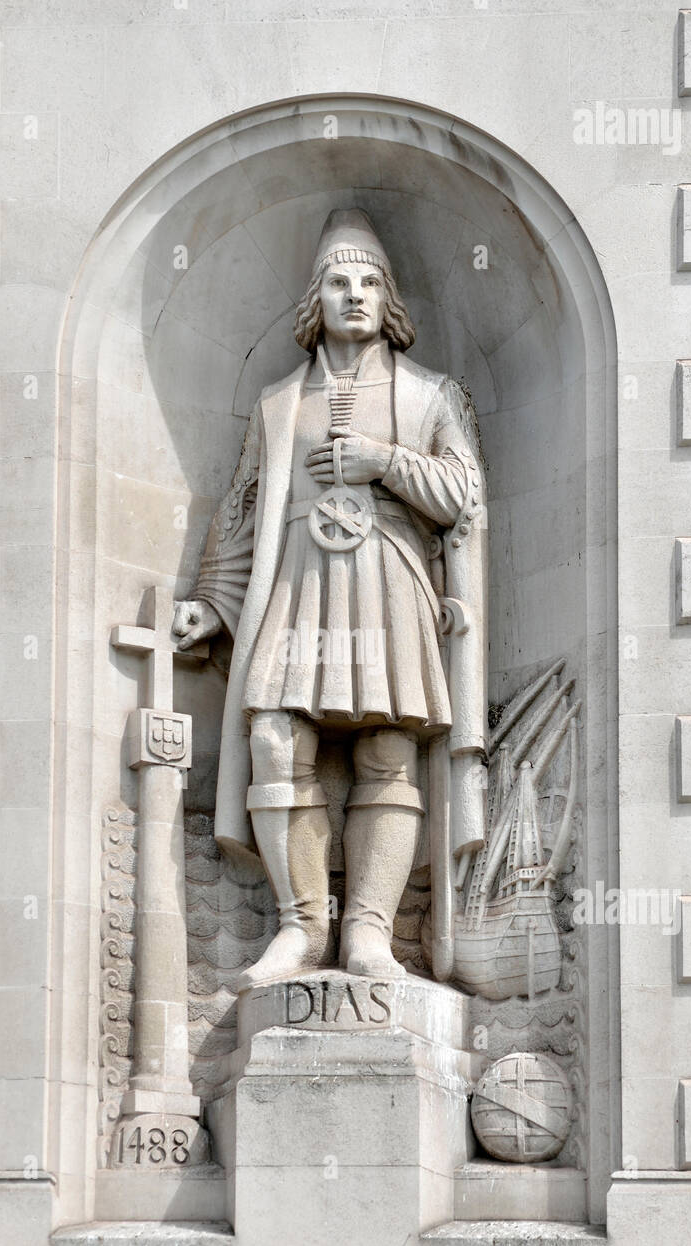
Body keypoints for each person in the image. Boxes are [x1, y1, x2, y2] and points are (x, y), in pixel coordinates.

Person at [173, 209, 487, 988]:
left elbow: (463, 497)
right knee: (277, 736)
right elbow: (245, 506)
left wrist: (384, 460)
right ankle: (302, 927)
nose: (355, 295)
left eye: (370, 282)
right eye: (339, 282)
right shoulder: (279, 403)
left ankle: (371, 935)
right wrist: (213, 602)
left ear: (389, 301)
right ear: (316, 300)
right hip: (298, 582)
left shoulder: (429, 394)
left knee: (386, 748)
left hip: (386, 576)